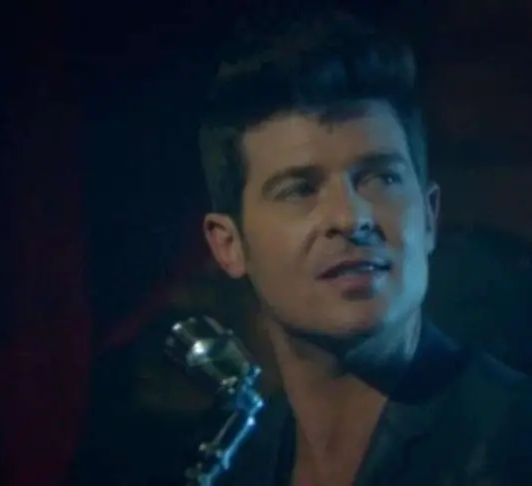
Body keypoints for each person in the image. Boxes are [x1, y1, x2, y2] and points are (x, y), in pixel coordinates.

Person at [67, 10, 532, 486]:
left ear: (429, 216)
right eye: (299, 189)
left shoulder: (514, 436)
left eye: (381, 178)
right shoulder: (231, 462)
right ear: (229, 245)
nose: (350, 218)